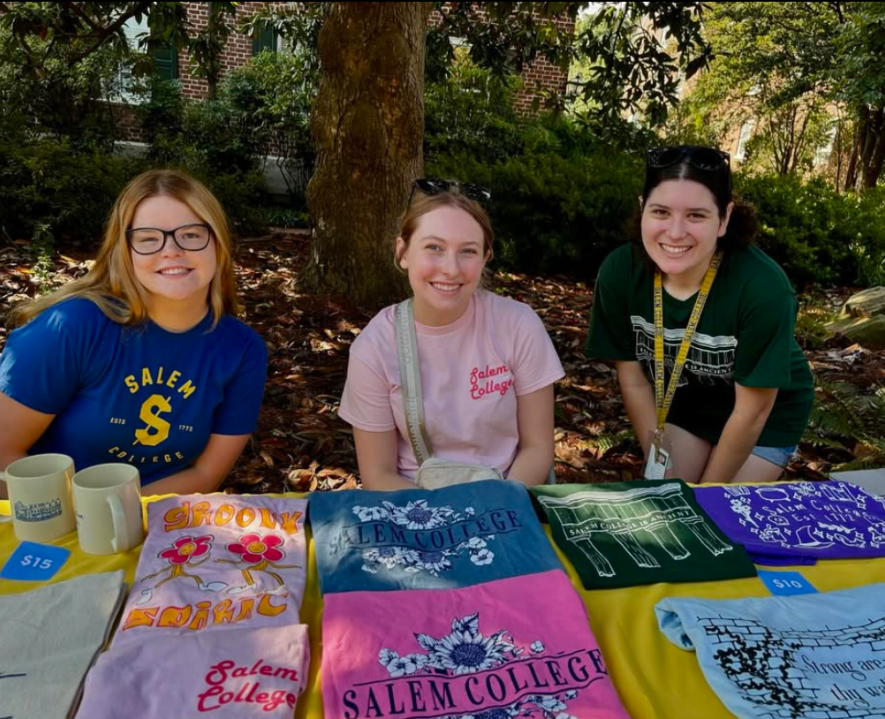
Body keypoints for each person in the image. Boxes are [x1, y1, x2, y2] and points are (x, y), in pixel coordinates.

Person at [0, 169, 268, 496]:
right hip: (38, 515)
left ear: (219, 242)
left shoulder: (242, 349)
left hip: (151, 521)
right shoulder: (72, 327)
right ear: (124, 253)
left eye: (191, 234)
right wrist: (84, 527)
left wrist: (120, 520)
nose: (171, 250)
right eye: (147, 238)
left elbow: (204, 474)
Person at [586, 145, 814, 483]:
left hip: (765, 417)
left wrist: (706, 496)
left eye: (696, 215)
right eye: (661, 212)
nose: (675, 232)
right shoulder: (620, 272)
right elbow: (633, 380)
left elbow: (752, 412)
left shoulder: (763, 288)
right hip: (686, 406)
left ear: (724, 218)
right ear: (642, 209)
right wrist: (658, 463)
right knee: (667, 497)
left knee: (718, 513)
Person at [339, 178, 564, 490]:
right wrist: (444, 518)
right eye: (434, 247)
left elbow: (538, 448)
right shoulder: (374, 348)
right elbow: (379, 474)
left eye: (467, 251)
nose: (451, 268)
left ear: (485, 257)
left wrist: (496, 507)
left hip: (506, 496)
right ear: (403, 252)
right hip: (414, 503)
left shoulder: (519, 325)